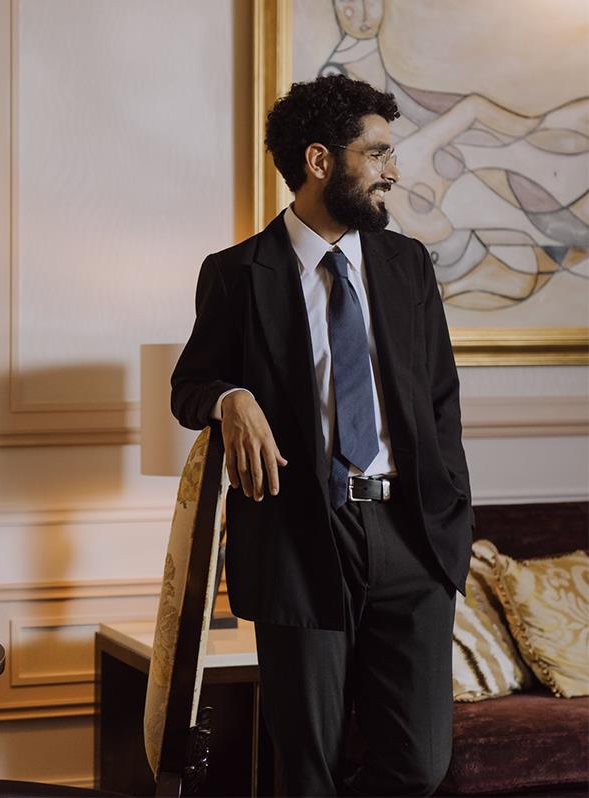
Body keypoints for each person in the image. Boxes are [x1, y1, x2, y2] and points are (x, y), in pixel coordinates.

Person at [171, 75, 473, 797]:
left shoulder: (407, 266)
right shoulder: (238, 274)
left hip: (410, 537)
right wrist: (231, 398)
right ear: (319, 161)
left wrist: (450, 526)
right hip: (300, 539)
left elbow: (440, 402)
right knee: (308, 772)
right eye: (377, 153)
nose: (392, 170)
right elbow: (189, 387)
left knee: (420, 765)